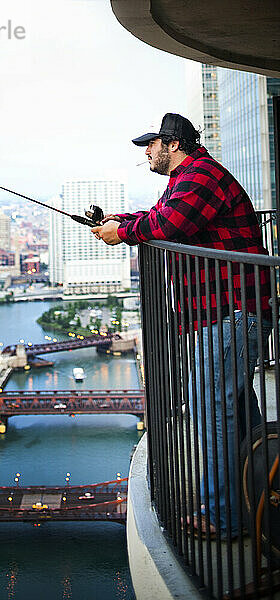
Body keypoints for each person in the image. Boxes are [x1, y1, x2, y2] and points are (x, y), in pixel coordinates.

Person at [91, 113, 273, 537]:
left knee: (211, 408)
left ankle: (224, 516)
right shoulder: (184, 181)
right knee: (237, 409)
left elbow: (167, 225)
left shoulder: (201, 175)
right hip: (220, 314)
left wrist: (125, 233)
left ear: (173, 144)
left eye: (151, 145)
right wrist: (118, 221)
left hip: (232, 313)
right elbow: (155, 215)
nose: (147, 153)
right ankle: (261, 488)